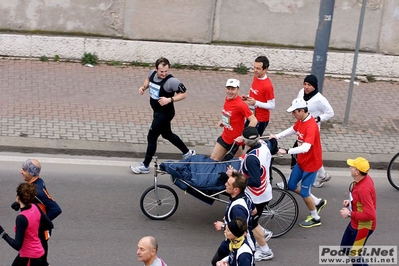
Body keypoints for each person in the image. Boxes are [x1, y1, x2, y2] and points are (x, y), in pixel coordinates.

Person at [131, 57, 195, 174]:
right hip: (157, 112)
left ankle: (145, 165)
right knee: (167, 134)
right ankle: (188, 153)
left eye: (166, 71)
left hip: (165, 113)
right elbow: (148, 80)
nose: (164, 74)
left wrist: (170, 99)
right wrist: (143, 87)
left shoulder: (171, 81)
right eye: (161, 72)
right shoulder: (152, 74)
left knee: (152, 136)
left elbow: (183, 94)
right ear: (156, 69)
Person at [270, 98, 327, 228]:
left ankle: (315, 217)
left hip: (311, 165)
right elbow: (293, 129)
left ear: (302, 111)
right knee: (291, 185)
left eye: (294, 112)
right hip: (302, 161)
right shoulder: (301, 120)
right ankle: (317, 202)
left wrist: (287, 150)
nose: (293, 114)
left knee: (305, 193)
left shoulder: (311, 126)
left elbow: (306, 147)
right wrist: (277, 136)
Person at [236, 126, 274, 261]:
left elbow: (255, 181)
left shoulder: (252, 159)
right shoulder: (263, 146)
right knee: (252, 222)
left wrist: (237, 177)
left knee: (251, 224)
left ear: (246, 142)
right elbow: (273, 145)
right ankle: (263, 233)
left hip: (256, 196)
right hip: (264, 191)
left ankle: (266, 251)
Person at [17, 159, 62, 266]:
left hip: (39, 234)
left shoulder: (38, 190)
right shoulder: (38, 182)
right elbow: (36, 204)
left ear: (31, 172)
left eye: (24, 169)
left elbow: (56, 209)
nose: (20, 171)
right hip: (36, 234)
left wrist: (38, 224)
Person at [0, 183, 53, 266]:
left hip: (29, 258)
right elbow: (50, 225)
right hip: (38, 253)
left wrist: (2, 233)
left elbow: (17, 245)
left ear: (18, 197)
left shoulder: (21, 218)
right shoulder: (35, 206)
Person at [295, 74, 334, 188]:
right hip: (301, 127)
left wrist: (318, 118)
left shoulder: (320, 99)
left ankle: (291, 180)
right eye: (305, 84)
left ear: (315, 86)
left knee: (300, 153)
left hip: (312, 130)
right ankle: (323, 175)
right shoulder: (301, 92)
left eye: (309, 85)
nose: (306, 87)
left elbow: (330, 112)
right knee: (311, 154)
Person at [211, 171, 255, 266]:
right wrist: (229, 217)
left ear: (236, 190)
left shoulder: (237, 208)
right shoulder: (246, 196)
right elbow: (254, 211)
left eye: (228, 184)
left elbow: (243, 230)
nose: (225, 184)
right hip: (232, 242)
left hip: (237, 242)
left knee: (216, 263)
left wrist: (223, 226)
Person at [339, 157, 376, 266]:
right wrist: (351, 203)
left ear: (357, 172)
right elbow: (361, 201)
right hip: (355, 223)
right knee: (345, 248)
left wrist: (349, 213)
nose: (350, 167)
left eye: (352, 167)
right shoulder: (364, 178)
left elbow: (370, 214)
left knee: (354, 255)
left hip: (363, 227)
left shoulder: (363, 189)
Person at [210, 78, 257, 161]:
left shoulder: (241, 105)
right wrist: (224, 122)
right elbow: (230, 114)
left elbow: (254, 120)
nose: (230, 91)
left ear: (237, 89)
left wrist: (244, 136)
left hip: (236, 143)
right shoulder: (227, 98)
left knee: (237, 168)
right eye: (228, 88)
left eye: (233, 89)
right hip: (225, 138)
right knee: (212, 161)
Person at [242, 56, 275, 136]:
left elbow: (272, 105)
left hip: (261, 120)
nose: (255, 71)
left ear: (265, 69)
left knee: (252, 141)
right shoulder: (256, 77)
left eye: (258, 69)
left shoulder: (268, 86)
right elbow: (256, 94)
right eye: (254, 67)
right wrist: (247, 97)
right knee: (244, 137)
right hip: (251, 116)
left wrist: (255, 103)